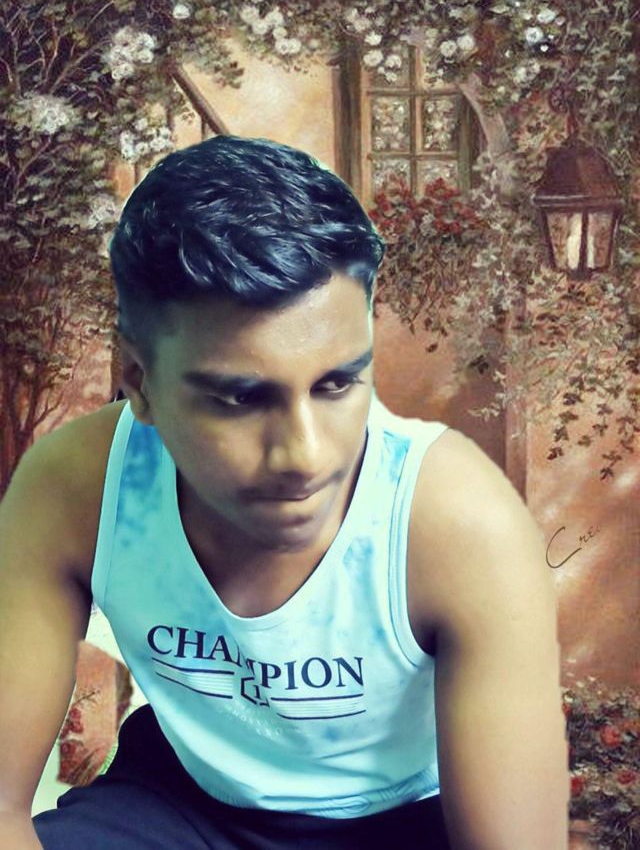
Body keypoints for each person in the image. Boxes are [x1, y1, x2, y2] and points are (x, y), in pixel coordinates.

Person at [0, 135, 570, 849]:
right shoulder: (75, 487)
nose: (305, 455)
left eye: (337, 384)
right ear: (139, 382)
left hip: (402, 819)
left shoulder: (459, 524)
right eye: (241, 397)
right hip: (183, 804)